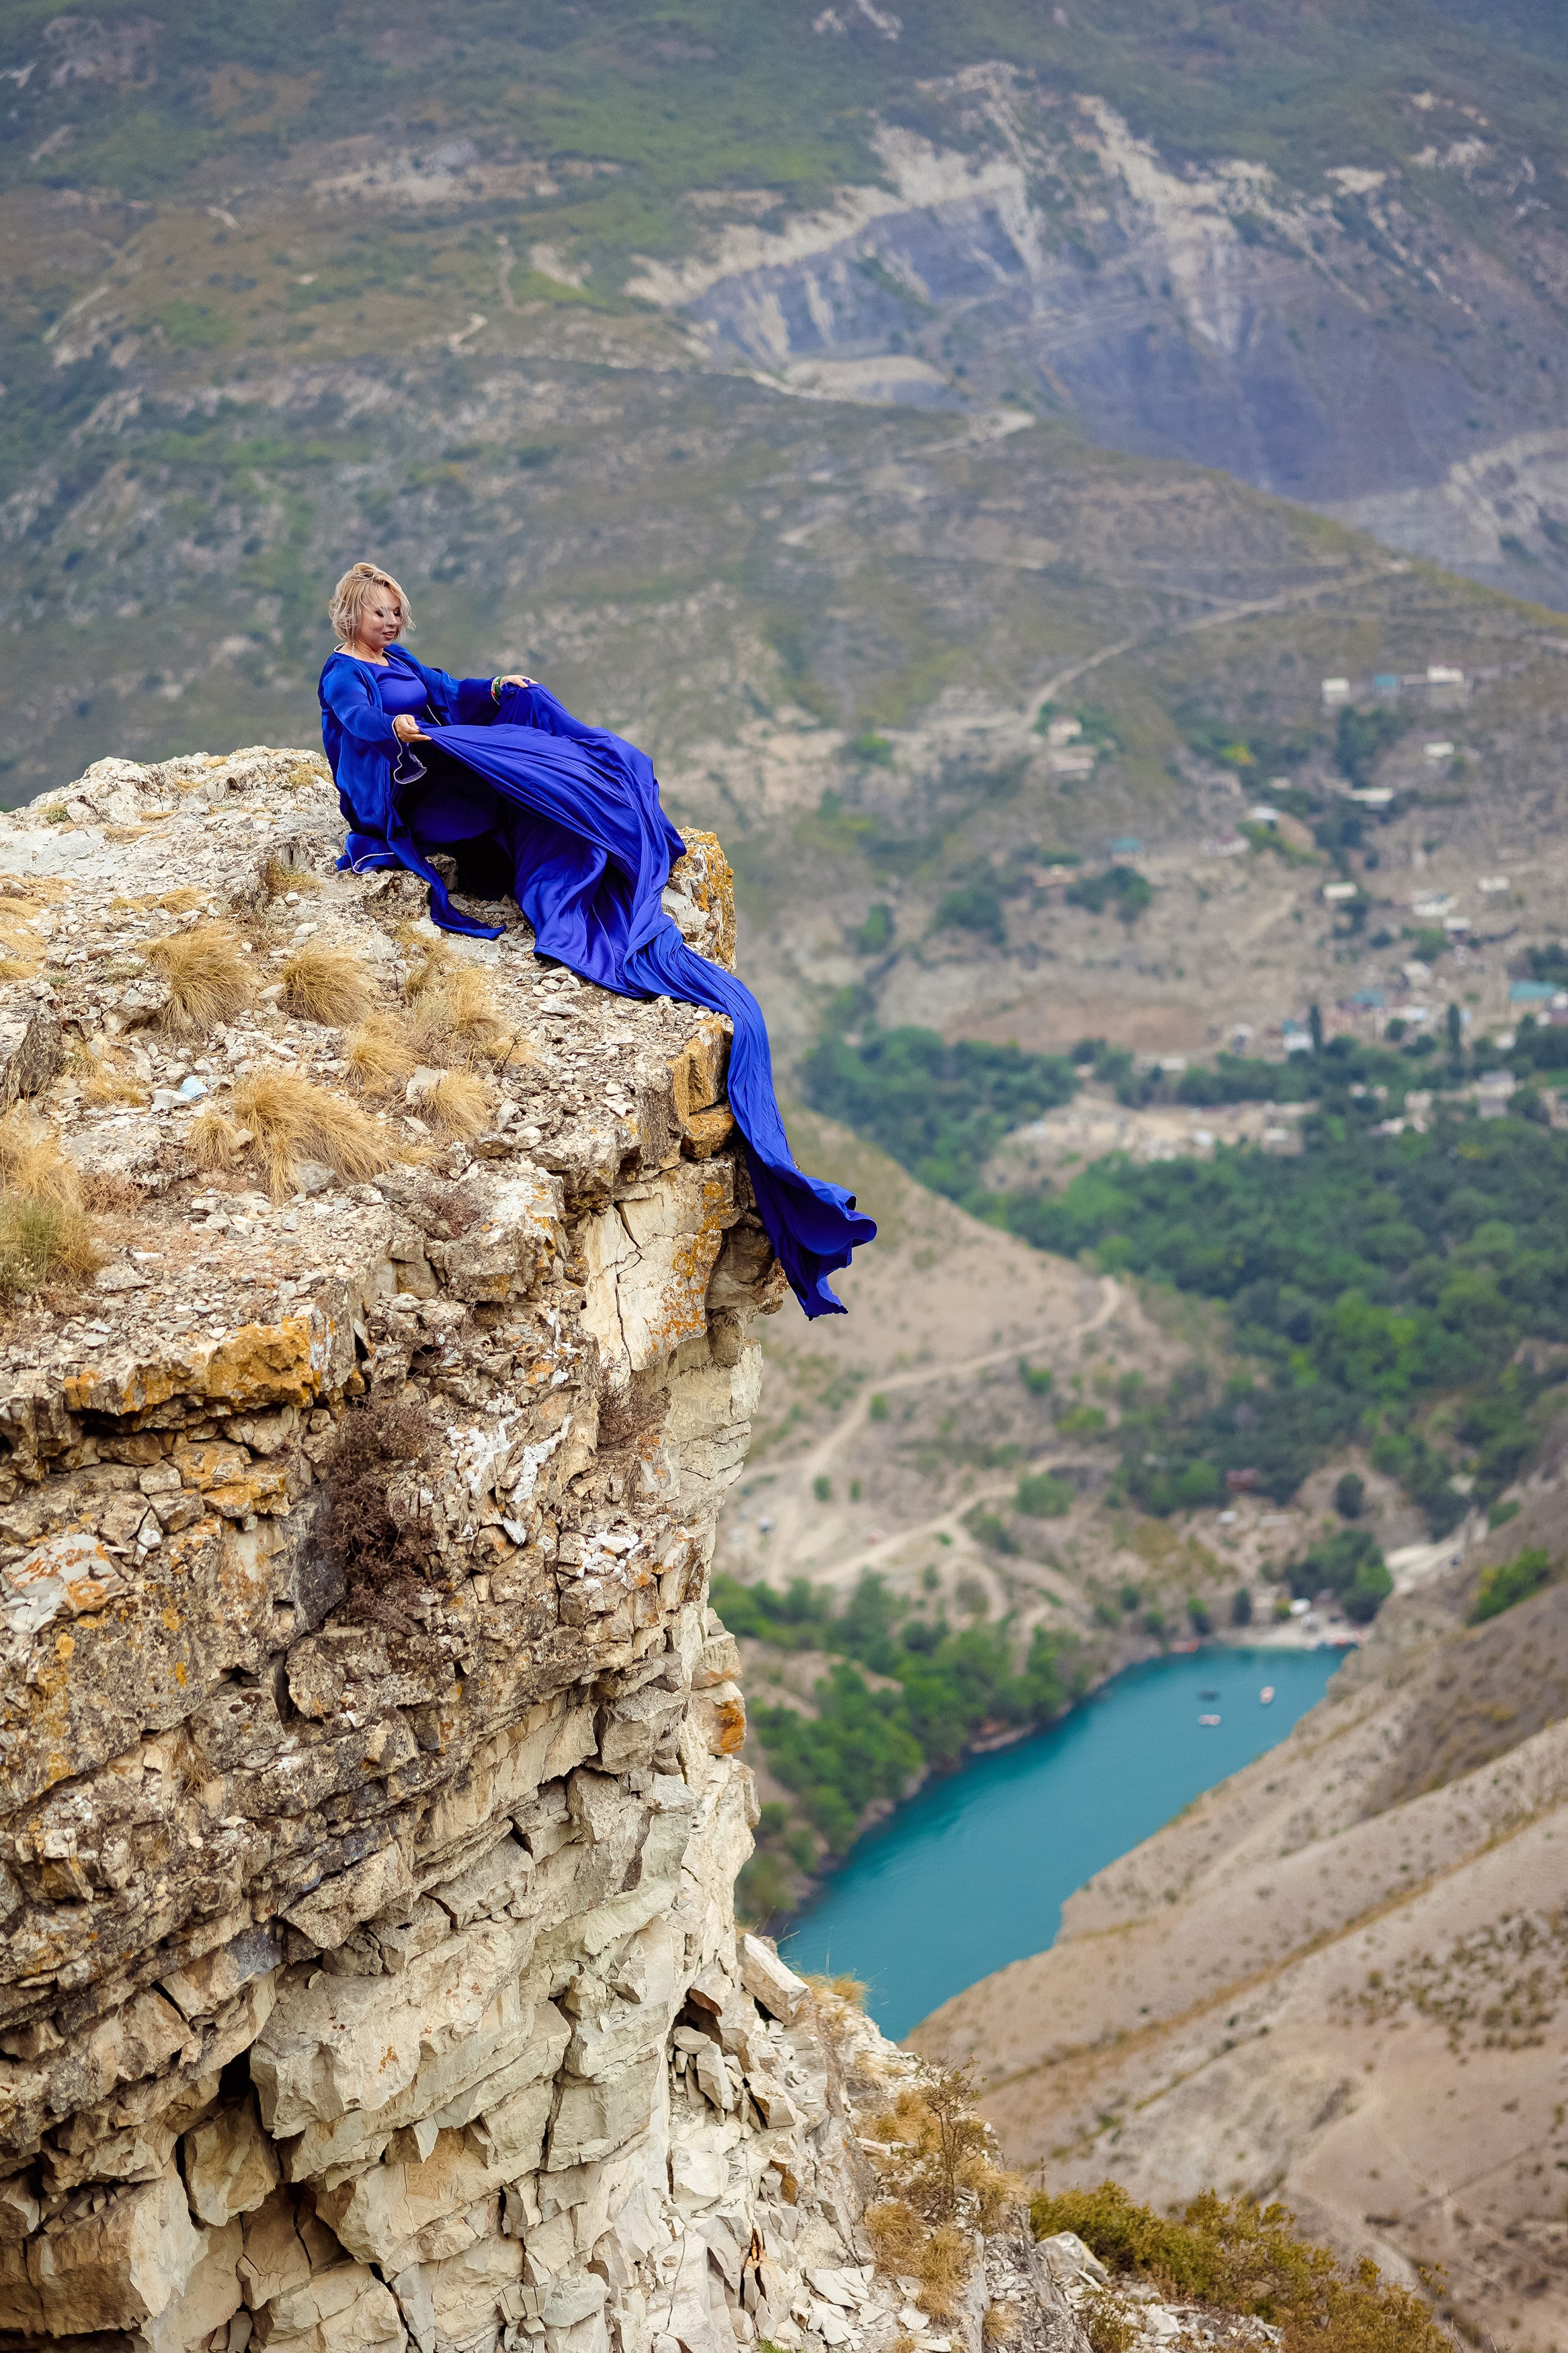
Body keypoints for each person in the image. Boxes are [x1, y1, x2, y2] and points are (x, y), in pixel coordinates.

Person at [317, 561, 874, 1320]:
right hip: (407, 792)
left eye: (396, 611)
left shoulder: (401, 661)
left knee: (541, 739)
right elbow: (358, 722)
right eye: (380, 611)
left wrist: (499, 688)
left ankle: (579, 845)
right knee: (526, 778)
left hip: (437, 765)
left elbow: (452, 691)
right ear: (352, 611)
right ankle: (562, 861)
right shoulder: (345, 673)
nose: (392, 622)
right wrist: (397, 729)